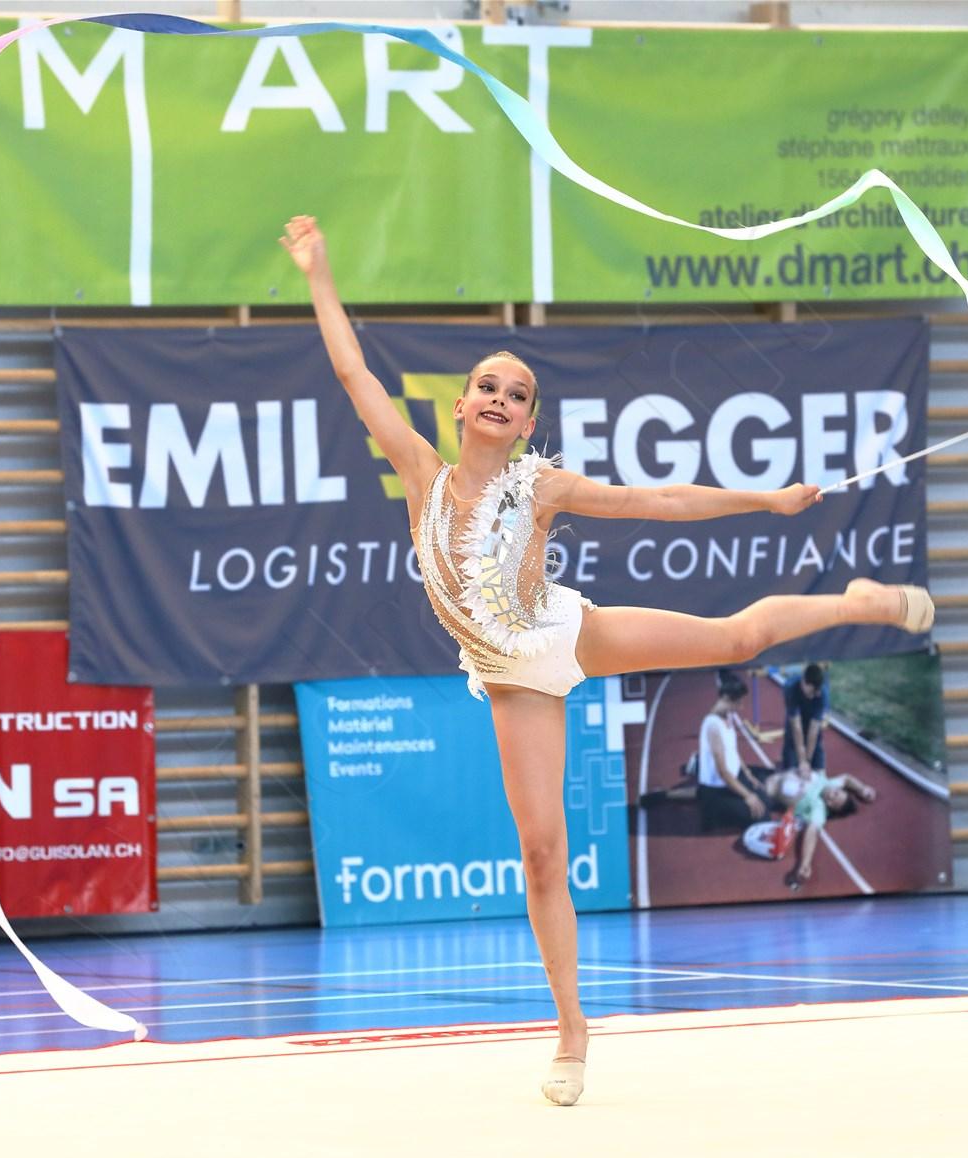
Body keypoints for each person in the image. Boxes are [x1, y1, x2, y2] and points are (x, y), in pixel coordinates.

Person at [280, 214, 934, 1107]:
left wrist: (767, 500)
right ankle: (572, 1027)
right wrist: (318, 270)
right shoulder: (420, 471)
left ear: (527, 422)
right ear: (461, 405)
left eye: (517, 393)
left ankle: (859, 602)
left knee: (735, 639)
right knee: (541, 852)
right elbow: (354, 372)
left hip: (563, 632)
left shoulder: (540, 486)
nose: (500, 398)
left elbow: (655, 500)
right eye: (487, 386)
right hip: (509, 678)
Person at [765, 769, 877, 887]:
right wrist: (862, 789)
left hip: (764, 790)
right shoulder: (829, 784)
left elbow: (812, 832)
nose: (830, 799)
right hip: (774, 773)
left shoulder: (819, 808)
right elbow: (846, 779)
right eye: (836, 793)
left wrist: (805, 863)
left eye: (832, 804)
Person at [696, 672, 768, 832]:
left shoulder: (727, 716)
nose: (741, 707)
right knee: (760, 815)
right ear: (727, 698)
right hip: (717, 791)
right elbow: (723, 772)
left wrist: (747, 773)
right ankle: (714, 813)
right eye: (739, 703)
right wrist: (747, 795)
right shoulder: (713, 726)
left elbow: (733, 750)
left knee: (765, 797)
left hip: (732, 779)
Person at [781, 662, 828, 775]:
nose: (812, 696)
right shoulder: (790, 688)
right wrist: (801, 760)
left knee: (820, 774)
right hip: (794, 726)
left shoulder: (822, 694)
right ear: (804, 682)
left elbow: (814, 730)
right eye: (811, 692)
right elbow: (796, 727)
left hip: (812, 725)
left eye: (815, 693)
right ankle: (788, 761)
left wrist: (807, 760)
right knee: (791, 772)